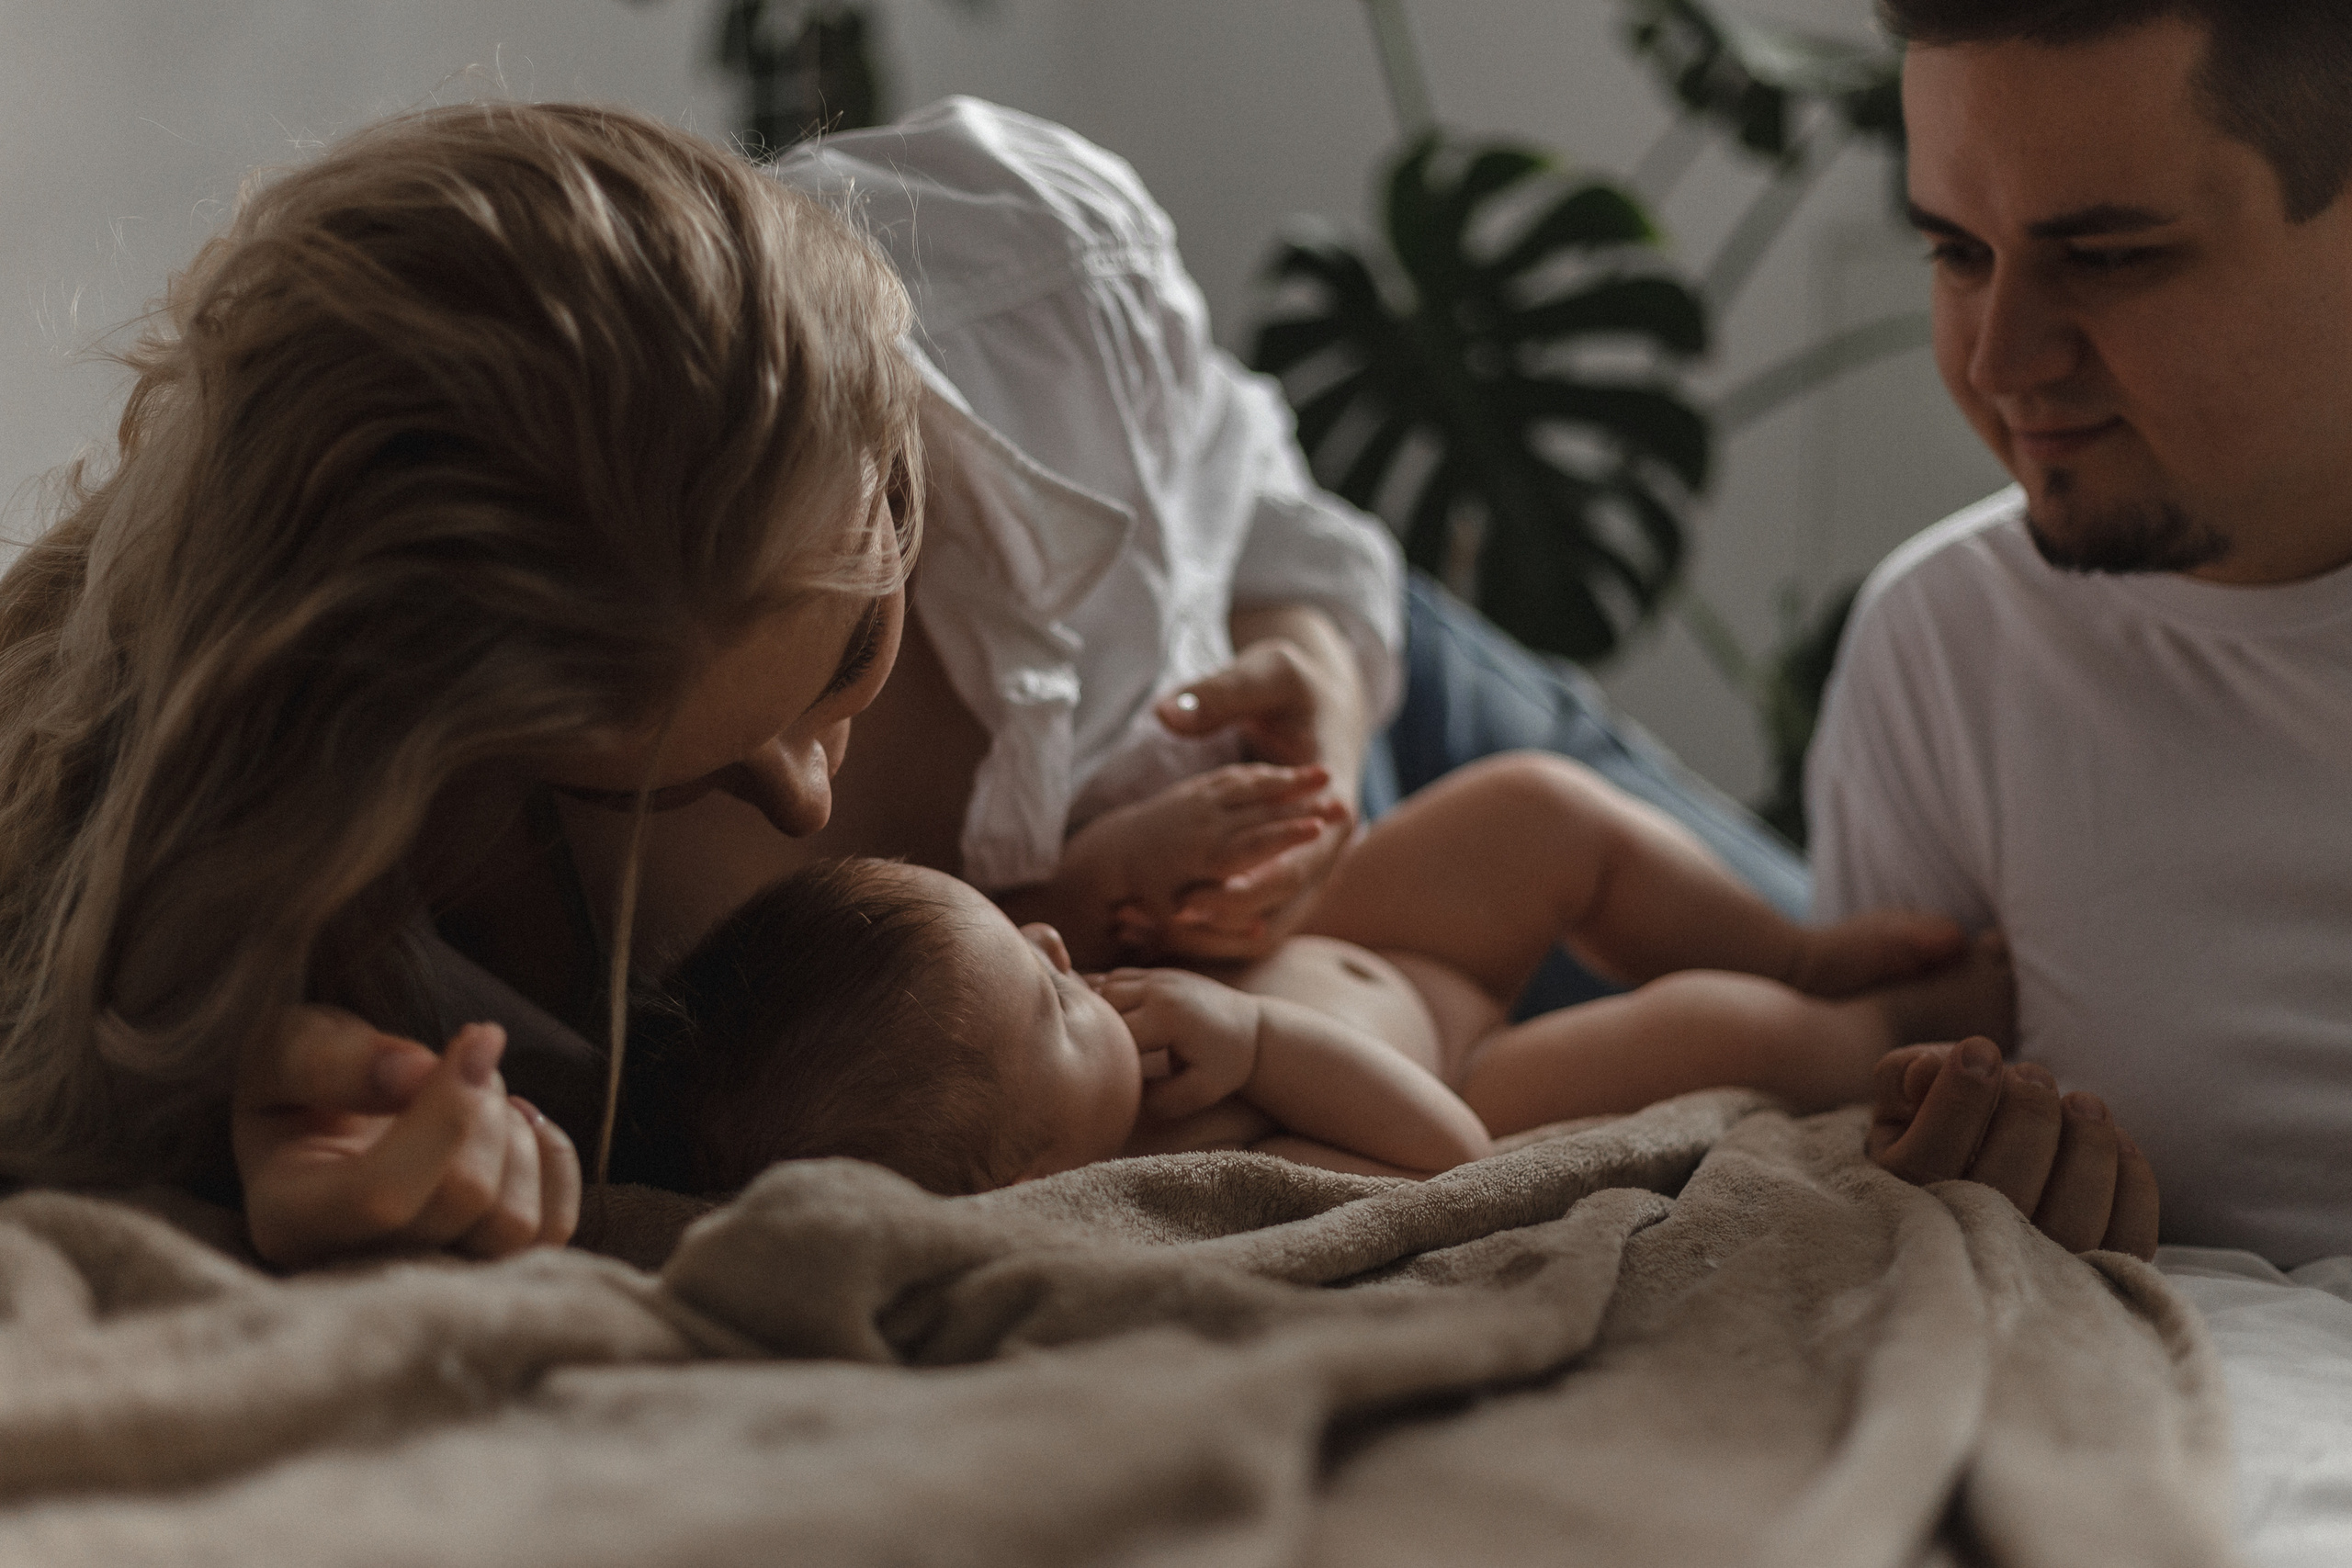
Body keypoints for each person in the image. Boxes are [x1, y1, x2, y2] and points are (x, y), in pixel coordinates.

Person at [0, 102, 926, 1268]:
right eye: (643, 783)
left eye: (855, 647)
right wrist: (304, 1169)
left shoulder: (1040, 267)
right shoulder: (379, 902)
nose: (807, 801)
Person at [1812, 0, 2352, 1264]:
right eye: (1956, 251)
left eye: (2107, 258)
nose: (2002, 358)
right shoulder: (1946, 645)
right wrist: (1963, 1202)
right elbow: (1856, 1178)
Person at [617, 750, 2007, 1196]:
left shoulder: (1087, 1032)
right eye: (1048, 998)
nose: (1058, 955)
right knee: (1715, 1032)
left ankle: (1801, 939)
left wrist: (1148, 892)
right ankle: (1892, 1017)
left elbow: (1060, 938)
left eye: (1021, 933)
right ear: (1029, 1175)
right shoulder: (1193, 1172)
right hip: (1471, 1071)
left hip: (1366, 931)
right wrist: (1264, 1044)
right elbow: (1448, 1147)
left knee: (1533, 807)